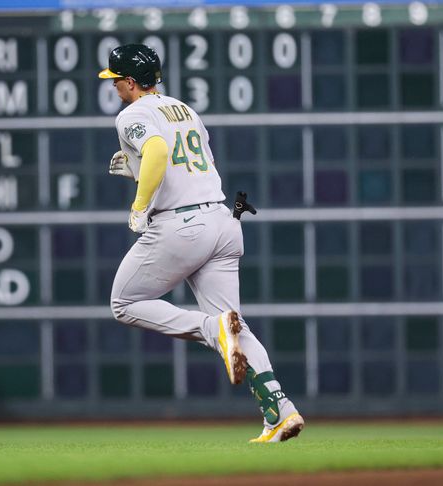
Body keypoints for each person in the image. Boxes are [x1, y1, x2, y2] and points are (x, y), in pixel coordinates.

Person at [100, 44, 304, 442]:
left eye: (115, 81)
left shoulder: (132, 114)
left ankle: (211, 330)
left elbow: (157, 151)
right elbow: (188, 162)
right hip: (223, 221)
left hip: (182, 225)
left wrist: (140, 204)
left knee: (123, 304)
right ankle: (281, 412)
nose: (114, 88)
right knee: (237, 326)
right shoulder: (184, 109)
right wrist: (140, 170)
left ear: (129, 82)